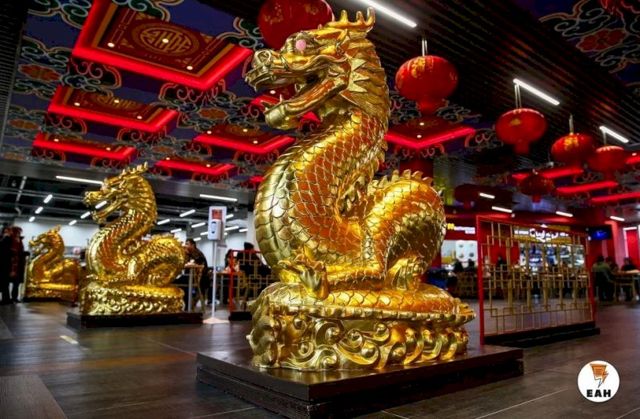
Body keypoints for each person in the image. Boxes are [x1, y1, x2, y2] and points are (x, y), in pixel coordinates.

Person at [0, 226, 12, 304]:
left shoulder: (8, 239)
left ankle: (6, 299)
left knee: (5, 282)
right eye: (5, 231)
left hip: (5, 263)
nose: (6, 233)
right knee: (4, 282)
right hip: (4, 263)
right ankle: (6, 298)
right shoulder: (4, 239)